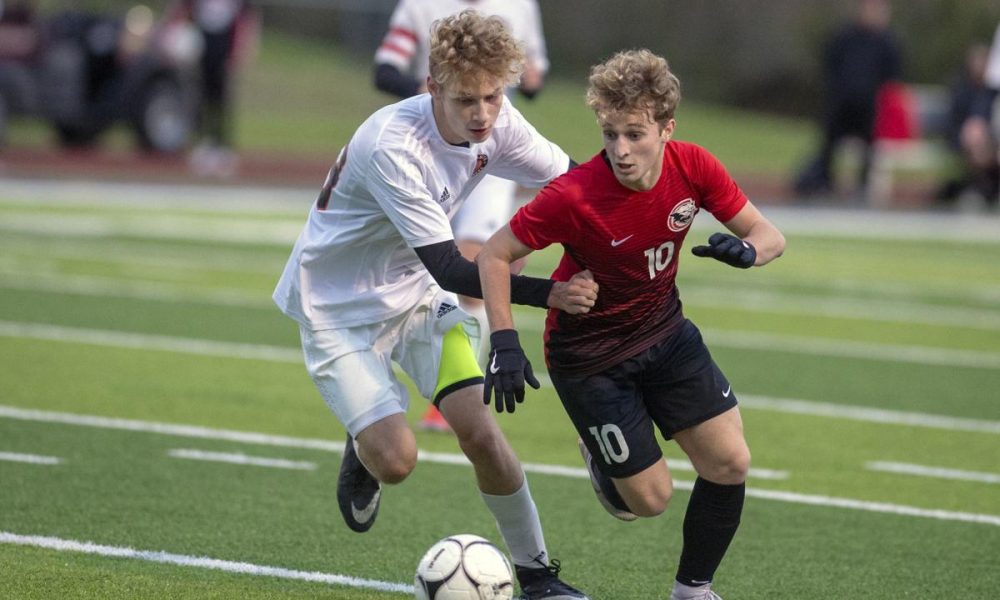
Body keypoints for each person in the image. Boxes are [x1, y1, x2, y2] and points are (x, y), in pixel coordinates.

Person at [273, 11, 594, 600]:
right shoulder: (393, 146)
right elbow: (451, 268)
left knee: (481, 432)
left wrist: (635, 210)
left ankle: (538, 576)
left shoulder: (499, 122)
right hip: (338, 312)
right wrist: (551, 293)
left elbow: (576, 184)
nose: (482, 115)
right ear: (432, 87)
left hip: (417, 298)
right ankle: (363, 441)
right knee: (397, 460)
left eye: (494, 97)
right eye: (466, 100)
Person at [477, 49, 786, 600]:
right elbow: (493, 255)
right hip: (590, 358)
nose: (620, 150)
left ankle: (693, 590)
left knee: (731, 462)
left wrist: (747, 251)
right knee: (649, 501)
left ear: (667, 129)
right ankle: (600, 457)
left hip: (665, 332)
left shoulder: (693, 165)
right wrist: (504, 340)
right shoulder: (575, 195)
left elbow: (769, 235)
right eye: (610, 134)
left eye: (635, 134)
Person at [374, 0, 550, 432]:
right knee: (430, 271)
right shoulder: (419, 5)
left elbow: (533, 79)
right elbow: (385, 68)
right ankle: (384, 385)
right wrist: (435, 92)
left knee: (474, 260)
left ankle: (456, 392)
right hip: (426, 153)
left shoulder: (518, 5)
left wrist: (525, 79)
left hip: (485, 152)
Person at [794, 0, 901, 199]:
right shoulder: (845, 37)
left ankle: (863, 186)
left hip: (868, 106)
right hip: (842, 103)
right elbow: (830, 63)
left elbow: (892, 74)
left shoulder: (887, 42)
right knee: (828, 142)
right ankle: (823, 182)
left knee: (870, 143)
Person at [164, 0, 258, 177]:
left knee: (221, 99)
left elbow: (247, 18)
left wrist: (242, 48)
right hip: (201, 46)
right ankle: (202, 143)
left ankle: (222, 147)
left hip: (223, 46)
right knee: (199, 96)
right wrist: (173, 34)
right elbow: (181, 10)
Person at [936, 43, 999, 205]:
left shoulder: (990, 91)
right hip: (963, 138)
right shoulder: (962, 88)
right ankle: (980, 190)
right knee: (977, 149)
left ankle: (982, 190)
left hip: (986, 141)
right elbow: (955, 121)